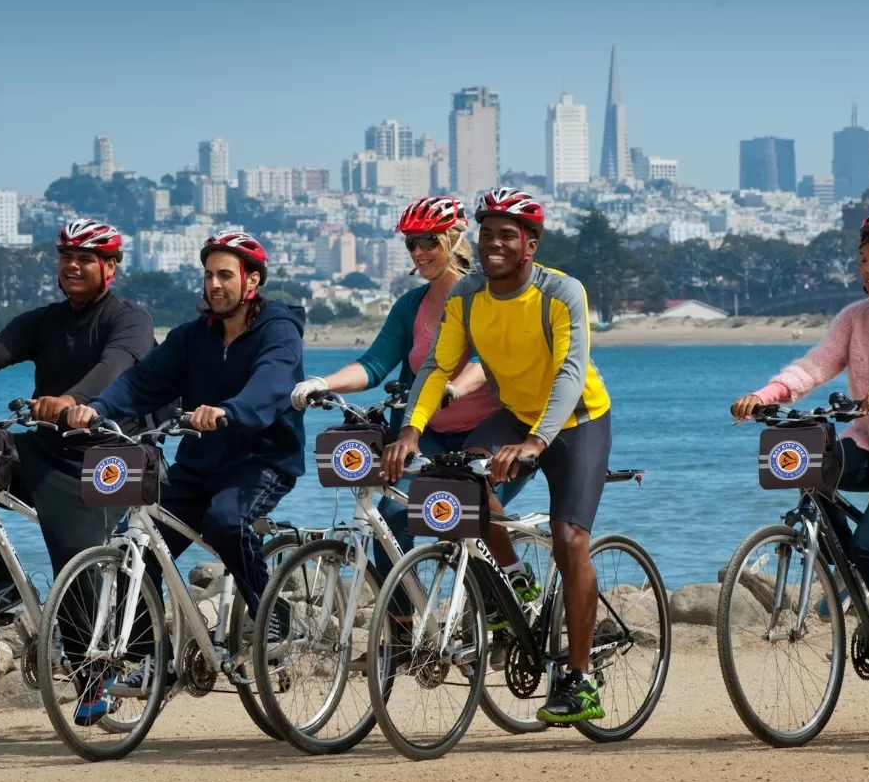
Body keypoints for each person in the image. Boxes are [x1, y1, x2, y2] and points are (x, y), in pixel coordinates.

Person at [383, 188, 615, 725]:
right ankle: (513, 578)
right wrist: (412, 432)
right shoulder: (467, 295)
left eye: (507, 234)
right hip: (515, 412)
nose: (494, 243)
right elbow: (437, 367)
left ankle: (578, 679)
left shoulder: (561, 292)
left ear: (529, 245)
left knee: (569, 538)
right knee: (461, 483)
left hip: (577, 419)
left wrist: (537, 441)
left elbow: (569, 373)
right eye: (487, 233)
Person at [729, 207, 869, 719]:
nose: (867, 269)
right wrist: (767, 394)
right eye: (862, 260)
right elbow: (815, 364)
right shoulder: (855, 317)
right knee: (811, 466)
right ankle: (849, 581)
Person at [0, 218, 154, 636]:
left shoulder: (131, 321)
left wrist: (72, 400)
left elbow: (114, 365)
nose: (72, 266)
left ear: (110, 267)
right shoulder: (45, 320)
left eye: (85, 259)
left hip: (112, 457)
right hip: (49, 449)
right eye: (66, 258)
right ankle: (0, 585)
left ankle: (93, 684)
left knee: (75, 568)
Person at [287, 197, 536, 610]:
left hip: (495, 432)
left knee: (456, 518)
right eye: (410, 244)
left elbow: (483, 362)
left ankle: (506, 599)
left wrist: (452, 388)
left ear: (453, 241)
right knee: (391, 517)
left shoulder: (485, 297)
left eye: (427, 241)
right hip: (432, 436)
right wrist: (320, 383)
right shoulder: (411, 306)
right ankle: (407, 628)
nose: (418, 252)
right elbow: (374, 364)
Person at [63, 229, 306, 643]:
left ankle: (270, 611)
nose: (214, 284)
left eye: (225, 275)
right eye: (209, 275)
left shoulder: (278, 331)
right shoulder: (193, 336)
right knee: (135, 547)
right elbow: (142, 380)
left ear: (252, 280)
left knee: (225, 522)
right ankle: (144, 658)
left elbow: (270, 383)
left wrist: (230, 411)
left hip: (262, 462)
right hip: (198, 465)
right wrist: (98, 408)